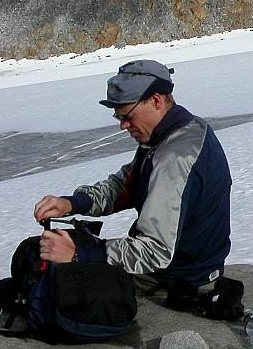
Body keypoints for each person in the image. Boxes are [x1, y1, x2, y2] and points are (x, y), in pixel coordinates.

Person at [33, 59, 234, 309]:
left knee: (54, 280)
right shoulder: (177, 132)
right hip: (183, 267)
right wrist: (72, 203)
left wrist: (78, 255)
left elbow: (155, 251)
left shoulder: (174, 158)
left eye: (128, 116)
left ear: (156, 101)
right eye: (119, 117)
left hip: (178, 279)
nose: (123, 125)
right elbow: (124, 186)